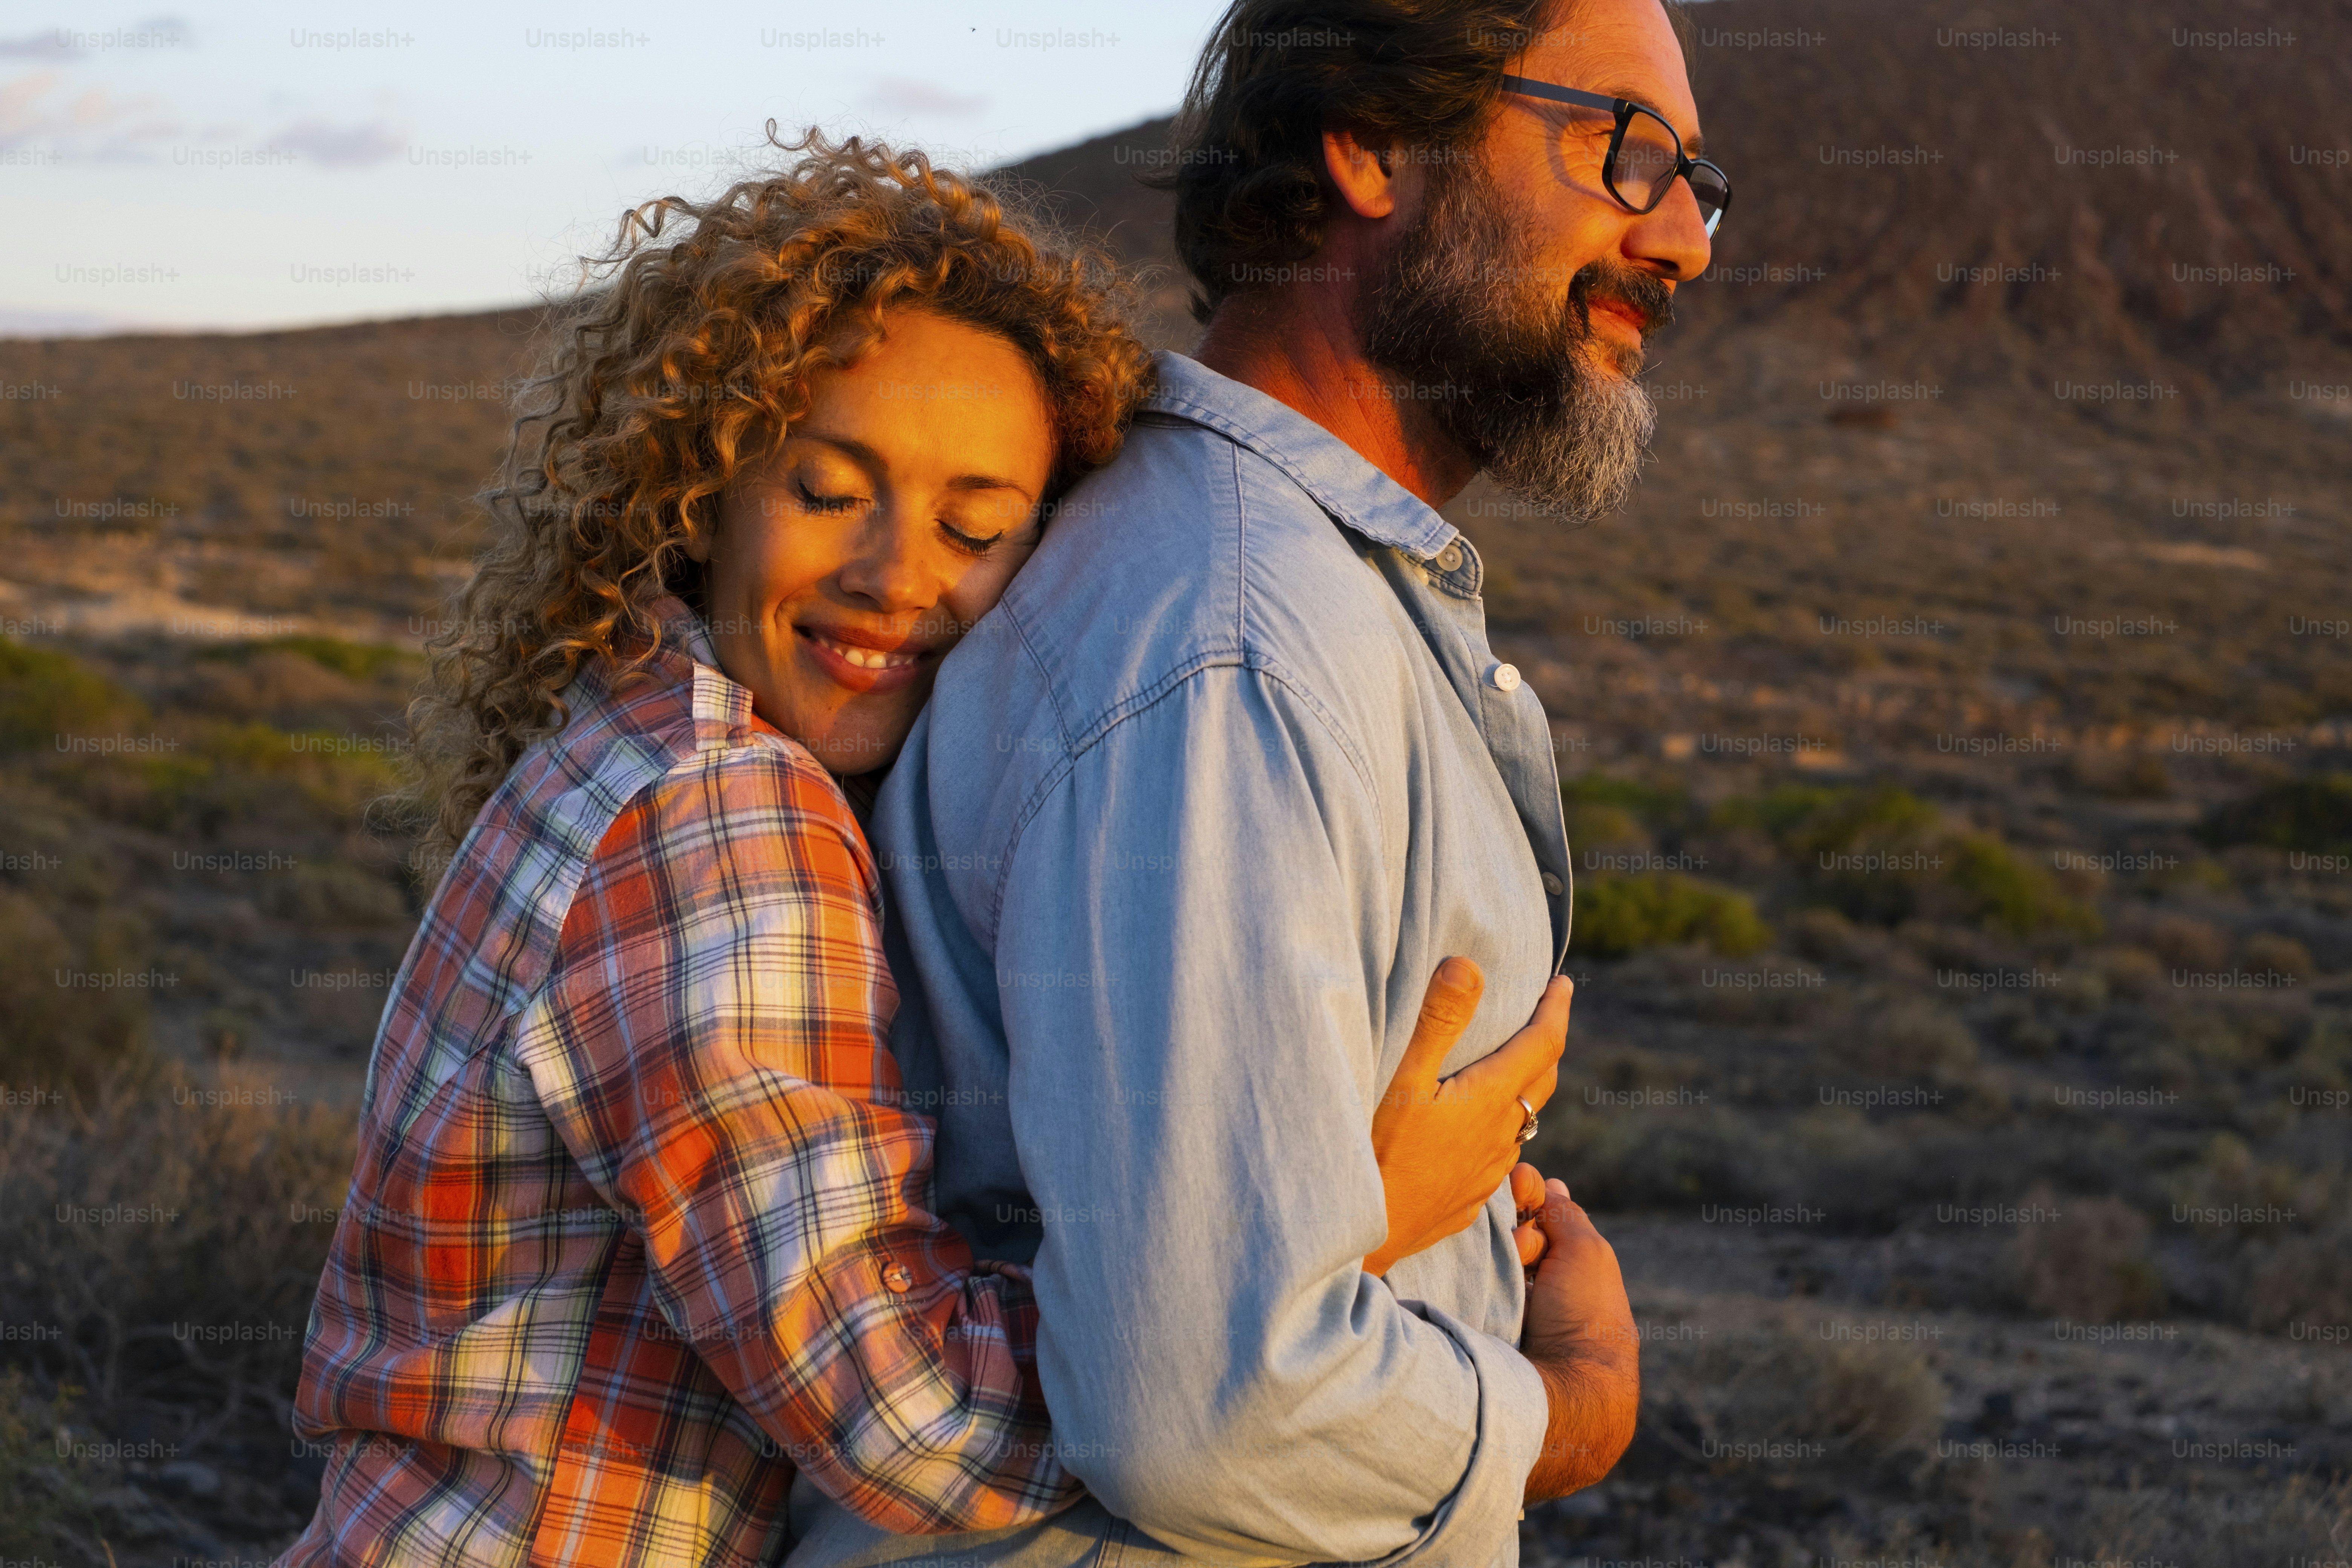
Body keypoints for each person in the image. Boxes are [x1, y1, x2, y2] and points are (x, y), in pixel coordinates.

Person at [278, 133, 1569, 1567]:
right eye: (830, 493)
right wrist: (1320, 1242)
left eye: (978, 526)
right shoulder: (718, 821)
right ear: (705, 489)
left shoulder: (634, 734)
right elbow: (908, 1419)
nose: (898, 575)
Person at [819, 0, 1721, 1563]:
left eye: (1697, 182)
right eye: (1621, 151)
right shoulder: (1234, 643)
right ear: (1370, 143)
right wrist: (1565, 1405)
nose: (1684, 243)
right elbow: (1216, 1403)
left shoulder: (1279, 598)